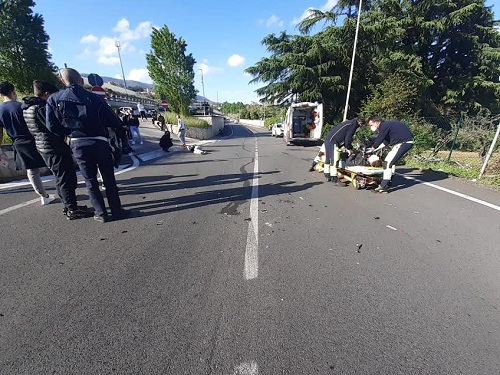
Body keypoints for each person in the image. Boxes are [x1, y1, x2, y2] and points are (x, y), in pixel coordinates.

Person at [46, 68, 130, 222]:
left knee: (90, 180)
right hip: (100, 142)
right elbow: (114, 121)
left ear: (62, 81)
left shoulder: (54, 100)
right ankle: (117, 211)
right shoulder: (95, 98)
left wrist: (68, 134)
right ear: (82, 81)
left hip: (78, 144)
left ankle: (101, 213)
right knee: (108, 179)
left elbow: (51, 126)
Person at [21, 80, 90, 219]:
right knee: (66, 178)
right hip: (54, 147)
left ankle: (69, 206)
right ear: (46, 94)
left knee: (60, 178)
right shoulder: (41, 108)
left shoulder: (28, 107)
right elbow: (53, 127)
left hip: (44, 147)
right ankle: (72, 209)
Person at [0, 81, 56, 205]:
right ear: (13, 92)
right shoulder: (21, 106)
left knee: (32, 171)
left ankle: (44, 196)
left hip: (18, 143)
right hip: (34, 139)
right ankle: (64, 189)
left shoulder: (0, 110)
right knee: (52, 164)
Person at [367, 116, 414, 193]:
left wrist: (373, 148)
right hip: (401, 143)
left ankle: (384, 185)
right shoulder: (388, 125)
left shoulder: (384, 126)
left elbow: (380, 138)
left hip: (404, 143)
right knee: (387, 161)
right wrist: (375, 149)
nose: (371, 127)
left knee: (388, 162)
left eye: (371, 125)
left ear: (377, 122)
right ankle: (388, 181)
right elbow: (386, 141)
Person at [323, 117, 366, 186]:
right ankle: (334, 179)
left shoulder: (348, 123)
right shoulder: (353, 125)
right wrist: (350, 148)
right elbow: (348, 139)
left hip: (328, 139)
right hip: (333, 141)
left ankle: (327, 175)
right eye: (362, 126)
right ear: (360, 123)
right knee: (335, 159)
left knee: (328, 158)